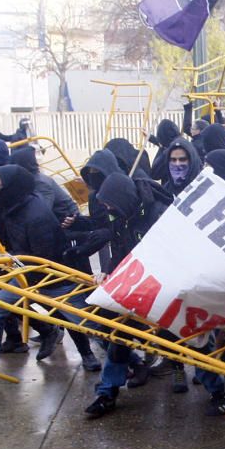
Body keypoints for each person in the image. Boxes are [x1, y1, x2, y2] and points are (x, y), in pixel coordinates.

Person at [0, 165, 100, 374]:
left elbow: (44, 258)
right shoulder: (13, 206)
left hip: (54, 278)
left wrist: (10, 258)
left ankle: (120, 359)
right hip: (27, 275)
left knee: (83, 324)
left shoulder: (36, 215)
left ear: (12, 187)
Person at [78, 172, 171, 419]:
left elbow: (170, 253)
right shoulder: (120, 214)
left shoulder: (157, 212)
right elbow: (119, 248)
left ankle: (220, 390)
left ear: (122, 198)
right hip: (136, 286)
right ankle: (107, 393)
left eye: (109, 204)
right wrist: (108, 272)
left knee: (189, 343)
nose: (106, 208)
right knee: (116, 331)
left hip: (164, 287)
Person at [9, 147, 79, 224]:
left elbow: (42, 212)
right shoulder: (32, 179)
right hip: (60, 219)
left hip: (68, 222)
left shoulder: (39, 183)